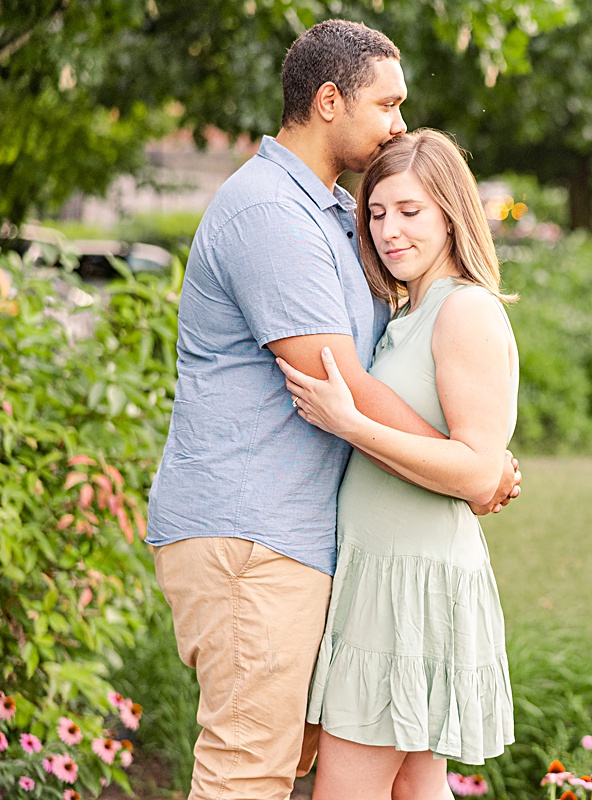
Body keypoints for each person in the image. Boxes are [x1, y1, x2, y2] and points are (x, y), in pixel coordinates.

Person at [145, 21, 519, 800]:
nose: (398, 125)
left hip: (307, 541)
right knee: (248, 767)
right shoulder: (270, 216)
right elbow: (341, 382)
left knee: (381, 775)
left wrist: (471, 461)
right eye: (387, 105)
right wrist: (474, 472)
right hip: (251, 533)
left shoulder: (326, 212)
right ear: (328, 101)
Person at [277, 128, 518, 800]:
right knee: (414, 787)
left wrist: (351, 425)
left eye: (410, 212)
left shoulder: (464, 310)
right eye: (377, 213)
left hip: (410, 585)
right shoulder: (408, 313)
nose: (389, 231)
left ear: (451, 213)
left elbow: (475, 471)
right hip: (384, 576)